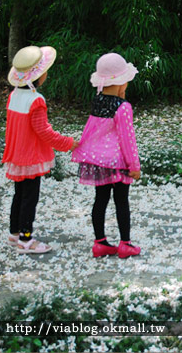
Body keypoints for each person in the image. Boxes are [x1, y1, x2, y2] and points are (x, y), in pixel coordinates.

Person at [2, 46, 78, 254]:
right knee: (30, 197)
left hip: (17, 154)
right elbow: (44, 132)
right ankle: (26, 239)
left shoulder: (14, 95)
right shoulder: (36, 100)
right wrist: (67, 143)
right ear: (39, 76)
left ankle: (14, 233)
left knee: (19, 194)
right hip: (31, 157)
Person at [72, 53, 141, 259]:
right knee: (122, 201)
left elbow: (91, 129)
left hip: (98, 161)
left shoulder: (98, 101)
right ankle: (125, 244)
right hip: (118, 162)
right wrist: (134, 165)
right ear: (121, 85)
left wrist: (85, 151)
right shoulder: (123, 107)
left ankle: (100, 242)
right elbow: (128, 139)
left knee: (100, 200)